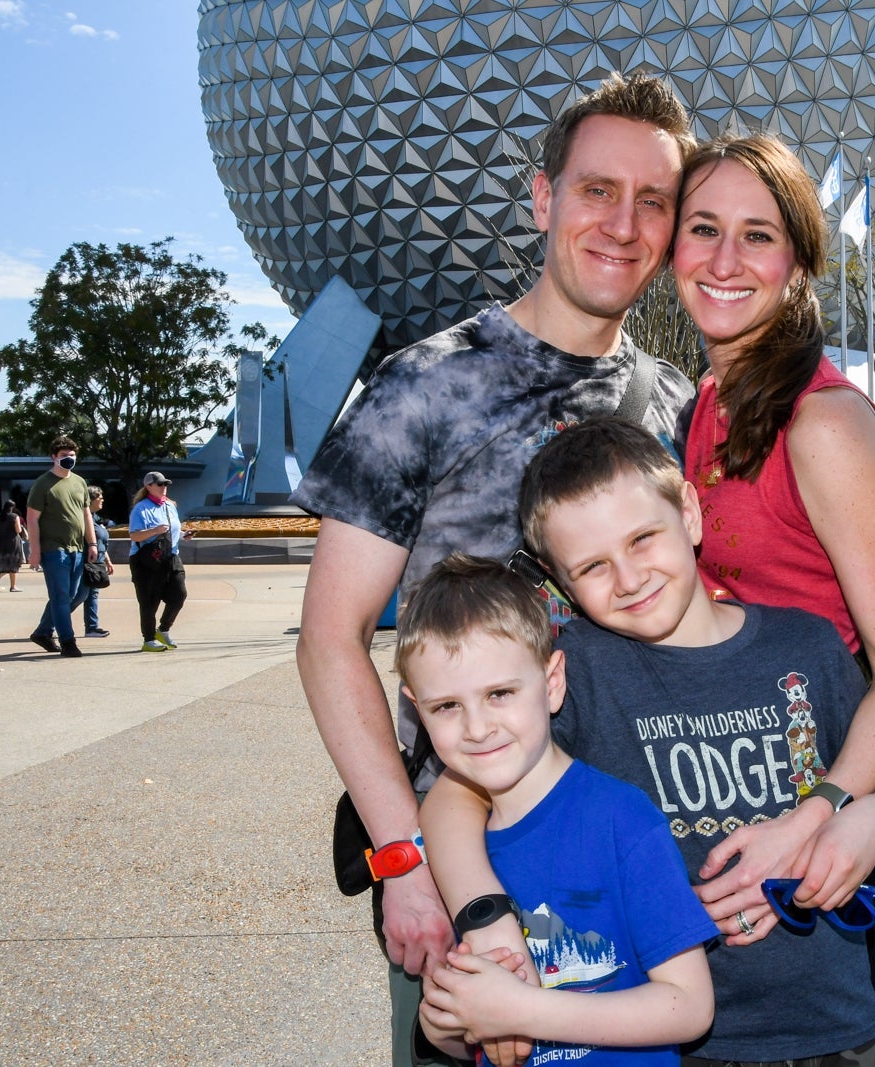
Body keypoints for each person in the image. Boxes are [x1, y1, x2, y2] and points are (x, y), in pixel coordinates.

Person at [290, 71, 697, 1066]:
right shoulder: (424, 385)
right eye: (597, 189)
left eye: (653, 201)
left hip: (632, 869)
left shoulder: (680, 407)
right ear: (542, 196)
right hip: (472, 873)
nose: (622, 223)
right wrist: (404, 859)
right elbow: (330, 638)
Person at [423, 419, 875, 1065]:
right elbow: (453, 796)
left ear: (688, 510)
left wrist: (867, 824)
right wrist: (483, 915)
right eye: (593, 565)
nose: (628, 577)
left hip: (837, 1025)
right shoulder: (576, 673)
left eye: (643, 537)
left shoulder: (808, 644)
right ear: (558, 578)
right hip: (667, 1035)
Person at [672, 133, 875, 1065]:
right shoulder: (706, 401)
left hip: (816, 824)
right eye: (703, 229)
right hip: (726, 798)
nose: (727, 261)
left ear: (800, 263)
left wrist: (835, 807)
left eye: (759, 235)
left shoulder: (822, 422)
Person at [400, 555, 716, 1064]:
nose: (477, 727)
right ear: (419, 710)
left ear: (551, 683)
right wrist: (442, 1022)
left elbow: (690, 1005)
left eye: (499, 693)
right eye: (447, 707)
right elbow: (468, 1038)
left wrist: (526, 1010)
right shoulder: (450, 851)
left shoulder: (622, 820)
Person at [25, 436, 99, 658]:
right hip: (53, 549)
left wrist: (92, 543)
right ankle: (68, 641)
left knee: (75, 595)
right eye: (64, 456)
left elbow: (86, 515)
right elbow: (32, 519)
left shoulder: (79, 482)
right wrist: (35, 550)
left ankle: (43, 632)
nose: (69, 459)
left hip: (77, 549)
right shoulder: (43, 484)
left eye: (72, 455)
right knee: (60, 596)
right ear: (54, 457)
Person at [128, 472, 190, 653]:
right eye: (160, 484)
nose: (164, 487)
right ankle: (148, 639)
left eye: (165, 484)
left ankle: (163, 629)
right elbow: (134, 535)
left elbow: (172, 530)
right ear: (149, 487)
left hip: (170, 556)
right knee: (149, 601)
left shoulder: (170, 506)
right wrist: (154, 531)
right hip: (148, 560)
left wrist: (183, 535)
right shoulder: (140, 508)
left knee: (179, 594)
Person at [71, 485, 112, 638]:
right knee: (80, 595)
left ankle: (92, 627)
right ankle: (56, 619)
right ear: (91, 500)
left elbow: (100, 541)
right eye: (99, 497)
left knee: (92, 594)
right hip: (86, 563)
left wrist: (107, 560)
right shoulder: (83, 518)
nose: (102, 500)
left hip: (98, 562)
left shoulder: (95, 518)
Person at [0, 504, 25, 593]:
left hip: (2, 541)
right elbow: (18, 531)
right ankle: (12, 586)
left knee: (8, 563)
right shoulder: (14, 516)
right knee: (13, 564)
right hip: (13, 541)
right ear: (12, 508)